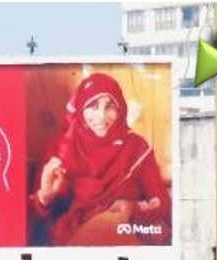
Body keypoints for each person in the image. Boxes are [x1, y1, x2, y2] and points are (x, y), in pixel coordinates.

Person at [30, 72, 172, 247]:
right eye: (93, 106)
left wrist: (132, 209)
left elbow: (163, 203)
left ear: (120, 109)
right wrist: (45, 197)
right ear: (81, 107)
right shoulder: (58, 150)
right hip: (70, 244)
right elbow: (33, 217)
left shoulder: (136, 148)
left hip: (121, 242)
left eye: (110, 106)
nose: (102, 117)